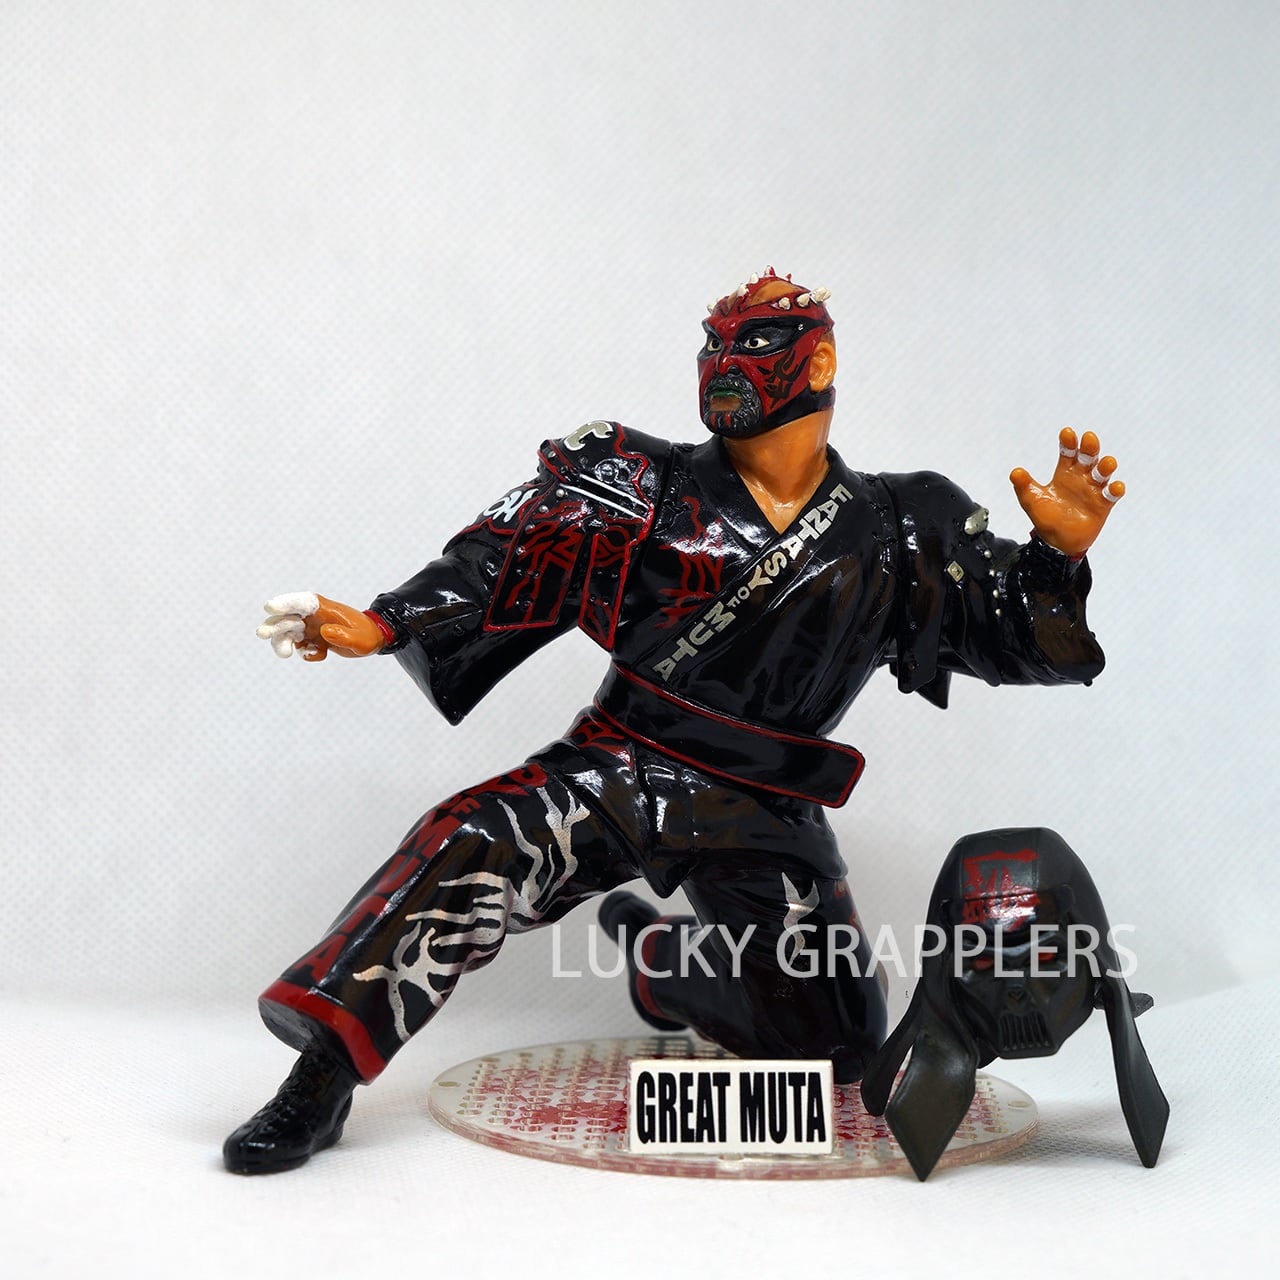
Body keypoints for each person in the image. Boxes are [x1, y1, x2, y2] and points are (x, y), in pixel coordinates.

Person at [225, 268, 1124, 1174]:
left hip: (765, 805)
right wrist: (384, 625)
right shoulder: (635, 481)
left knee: (838, 1042)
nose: (723, 364)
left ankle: (661, 958)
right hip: (620, 764)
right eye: (712, 346)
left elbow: (1018, 637)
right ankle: (322, 1077)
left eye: (754, 345)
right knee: (470, 839)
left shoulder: (899, 526)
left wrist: (1056, 557)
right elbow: (499, 558)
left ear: (820, 362)